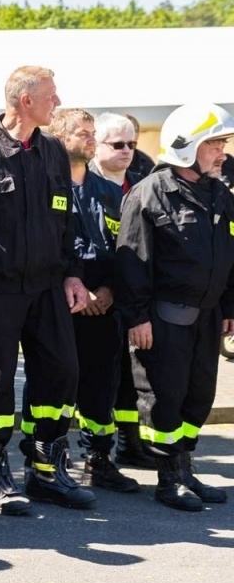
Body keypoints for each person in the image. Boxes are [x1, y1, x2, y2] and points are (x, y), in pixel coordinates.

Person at [0, 66, 90, 515]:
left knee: (61, 371)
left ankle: (47, 470)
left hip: (48, 286)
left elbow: (65, 218)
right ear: (25, 100)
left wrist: (72, 274)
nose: (58, 102)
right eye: (51, 95)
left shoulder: (53, 151)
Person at [113, 103, 234, 511]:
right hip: (163, 319)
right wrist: (137, 318)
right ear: (187, 147)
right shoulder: (149, 194)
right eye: (214, 144)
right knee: (165, 397)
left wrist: (230, 307)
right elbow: (132, 263)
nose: (222, 153)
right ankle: (167, 478)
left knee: (198, 396)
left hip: (207, 316)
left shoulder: (219, 194)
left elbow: (230, 254)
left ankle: (185, 468)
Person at [47, 108, 138, 493]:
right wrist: (78, 289)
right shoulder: (47, 188)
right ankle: (48, 460)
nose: (90, 138)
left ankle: (98, 460)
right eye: (83, 133)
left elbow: (126, 249)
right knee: (56, 385)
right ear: (60, 139)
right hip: (61, 307)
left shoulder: (110, 192)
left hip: (104, 308)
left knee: (102, 388)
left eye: (92, 133)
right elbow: (45, 249)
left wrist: (109, 291)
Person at [90, 111, 154, 468]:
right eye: (117, 144)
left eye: (131, 143)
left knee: (132, 377)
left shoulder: (145, 184)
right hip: (94, 301)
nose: (127, 150)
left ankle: (131, 444)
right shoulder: (81, 186)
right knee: (100, 378)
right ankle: (97, 455)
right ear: (96, 144)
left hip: (134, 299)